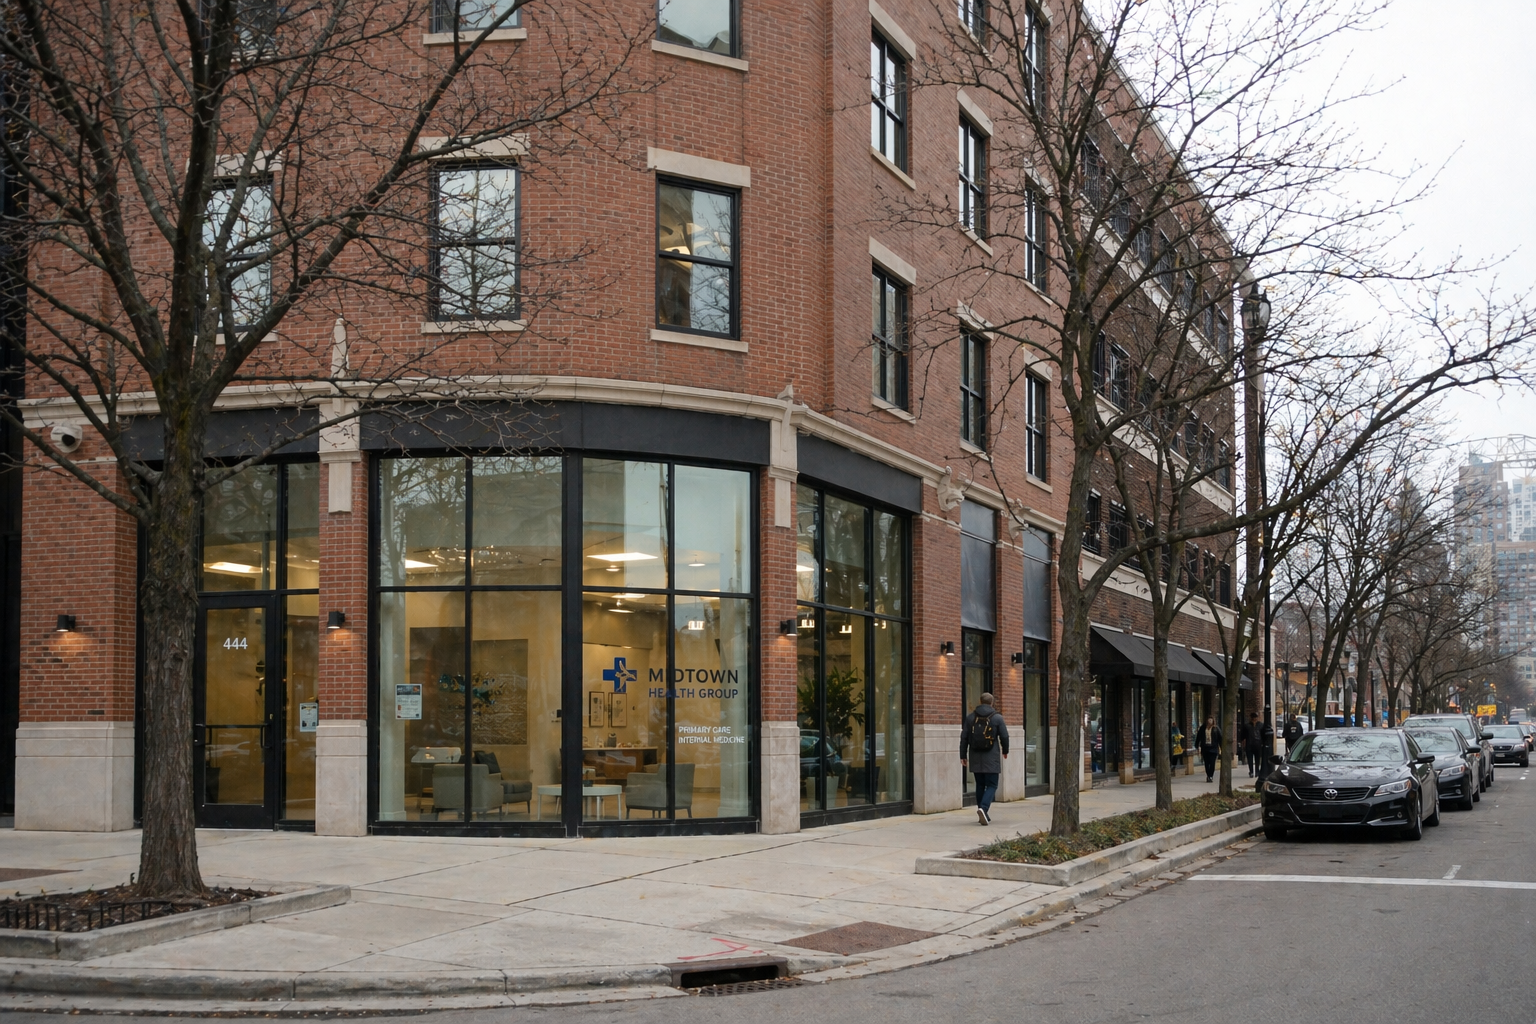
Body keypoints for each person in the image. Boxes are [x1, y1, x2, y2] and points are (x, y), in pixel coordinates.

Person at [961, 693, 1009, 825]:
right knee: (992, 785)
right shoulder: (997, 718)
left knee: (980, 784)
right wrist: (1005, 750)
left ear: (980, 701)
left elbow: (964, 737)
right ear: (992, 703)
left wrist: (963, 755)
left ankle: (982, 813)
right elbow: (1004, 736)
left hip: (975, 756)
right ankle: (984, 808)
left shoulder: (971, 718)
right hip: (991, 755)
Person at [1196, 716, 1222, 783]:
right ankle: (1208, 775)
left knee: (1212, 763)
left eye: (1211, 720)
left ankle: (1211, 776)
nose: (1210, 721)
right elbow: (1198, 737)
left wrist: (1221, 748)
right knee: (1206, 763)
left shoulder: (1216, 729)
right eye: (1209, 719)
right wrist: (1197, 746)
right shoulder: (1203, 728)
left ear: (1213, 721)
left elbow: (1220, 738)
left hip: (1213, 748)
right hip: (1205, 748)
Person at [1245, 712, 1264, 777]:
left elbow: (1263, 734)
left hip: (1258, 744)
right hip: (1249, 744)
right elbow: (1243, 735)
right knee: (1250, 759)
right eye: (1253, 717)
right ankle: (1251, 771)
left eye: (1255, 717)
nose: (1254, 719)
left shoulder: (1260, 725)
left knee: (1257, 759)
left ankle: (1257, 771)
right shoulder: (1247, 726)